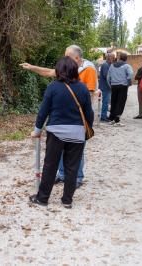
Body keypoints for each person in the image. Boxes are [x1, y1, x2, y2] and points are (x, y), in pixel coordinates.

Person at [20, 45, 97, 188]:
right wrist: (32, 67)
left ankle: (77, 178)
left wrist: (87, 124)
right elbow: (49, 72)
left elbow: (90, 95)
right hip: (64, 118)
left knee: (75, 153)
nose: (65, 58)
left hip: (78, 118)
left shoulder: (89, 70)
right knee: (61, 147)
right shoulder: (67, 69)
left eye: (67, 56)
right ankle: (62, 175)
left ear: (77, 58)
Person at [29, 56, 94, 208]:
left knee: (50, 165)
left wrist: (37, 131)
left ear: (59, 71)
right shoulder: (83, 88)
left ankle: (43, 198)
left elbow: (43, 111)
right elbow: (88, 113)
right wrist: (87, 128)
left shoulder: (53, 87)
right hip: (77, 133)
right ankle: (67, 200)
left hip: (56, 132)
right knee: (72, 167)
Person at [107, 53, 134, 126]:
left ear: (119, 58)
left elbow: (108, 77)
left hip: (114, 86)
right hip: (123, 86)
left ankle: (111, 118)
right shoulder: (127, 66)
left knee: (113, 101)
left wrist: (110, 85)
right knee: (121, 102)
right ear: (126, 59)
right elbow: (131, 74)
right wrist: (128, 82)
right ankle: (117, 119)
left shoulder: (112, 65)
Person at [99, 53, 115, 122]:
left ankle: (104, 116)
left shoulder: (109, 64)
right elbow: (106, 76)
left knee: (106, 102)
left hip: (107, 86)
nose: (113, 59)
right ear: (109, 58)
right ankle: (103, 117)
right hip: (105, 86)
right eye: (113, 58)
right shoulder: (105, 65)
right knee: (105, 102)